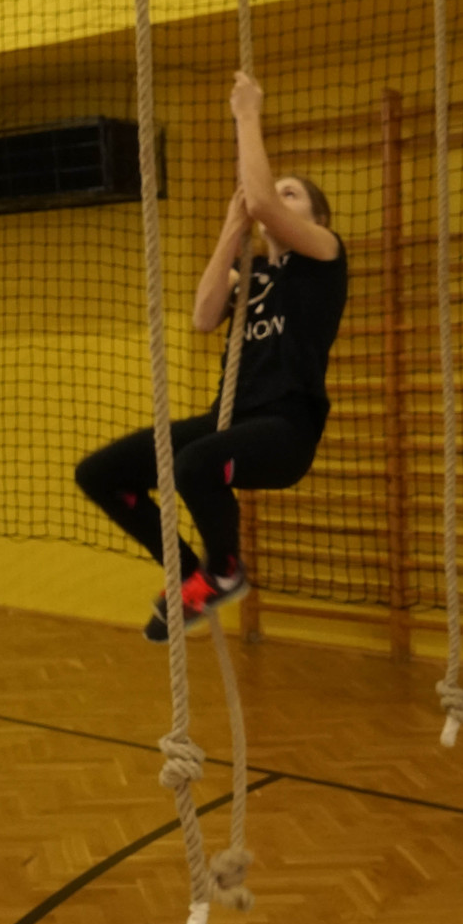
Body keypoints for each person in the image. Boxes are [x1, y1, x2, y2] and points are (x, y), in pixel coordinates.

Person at [76, 72, 348, 641]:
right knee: (101, 474)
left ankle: (225, 571)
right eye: (281, 190)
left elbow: (263, 201)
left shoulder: (324, 254)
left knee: (195, 464)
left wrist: (248, 114)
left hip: (285, 430)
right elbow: (203, 315)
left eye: (293, 194)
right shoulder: (251, 277)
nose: (279, 198)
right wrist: (231, 227)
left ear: (316, 219)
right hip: (231, 420)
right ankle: (190, 574)